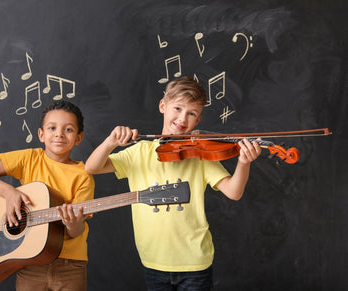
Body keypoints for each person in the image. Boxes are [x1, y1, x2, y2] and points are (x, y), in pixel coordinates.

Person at [85, 76, 261, 290]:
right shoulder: (140, 152)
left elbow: (234, 192)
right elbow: (92, 167)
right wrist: (110, 142)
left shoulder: (199, 155)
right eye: (177, 108)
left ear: (198, 121)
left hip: (195, 262)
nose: (182, 118)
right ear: (163, 106)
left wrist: (244, 162)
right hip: (153, 261)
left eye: (191, 114)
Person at [0, 100, 94, 291]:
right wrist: (9, 193)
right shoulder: (29, 159)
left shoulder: (84, 175)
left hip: (70, 265)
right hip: (30, 260)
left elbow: (75, 232)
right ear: (41, 134)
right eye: (52, 127)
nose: (59, 134)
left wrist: (72, 223)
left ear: (79, 138)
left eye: (68, 129)